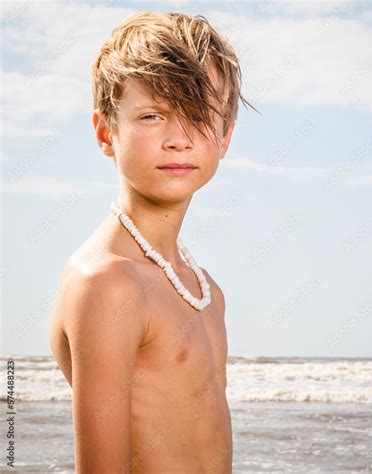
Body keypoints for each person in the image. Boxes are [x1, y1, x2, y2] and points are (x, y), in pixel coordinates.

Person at [48, 11, 256, 473]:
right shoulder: (106, 282)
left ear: (225, 137)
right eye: (152, 115)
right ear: (106, 132)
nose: (179, 139)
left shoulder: (205, 290)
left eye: (201, 116)